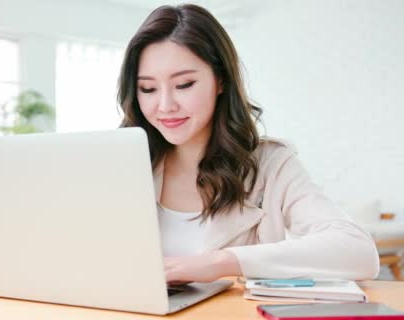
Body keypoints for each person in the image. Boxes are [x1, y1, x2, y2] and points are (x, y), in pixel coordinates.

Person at [117, 4, 379, 284]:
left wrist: (223, 262)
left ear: (221, 81)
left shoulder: (271, 165)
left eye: (184, 84)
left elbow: (359, 252)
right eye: (148, 89)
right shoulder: (124, 163)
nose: (165, 105)